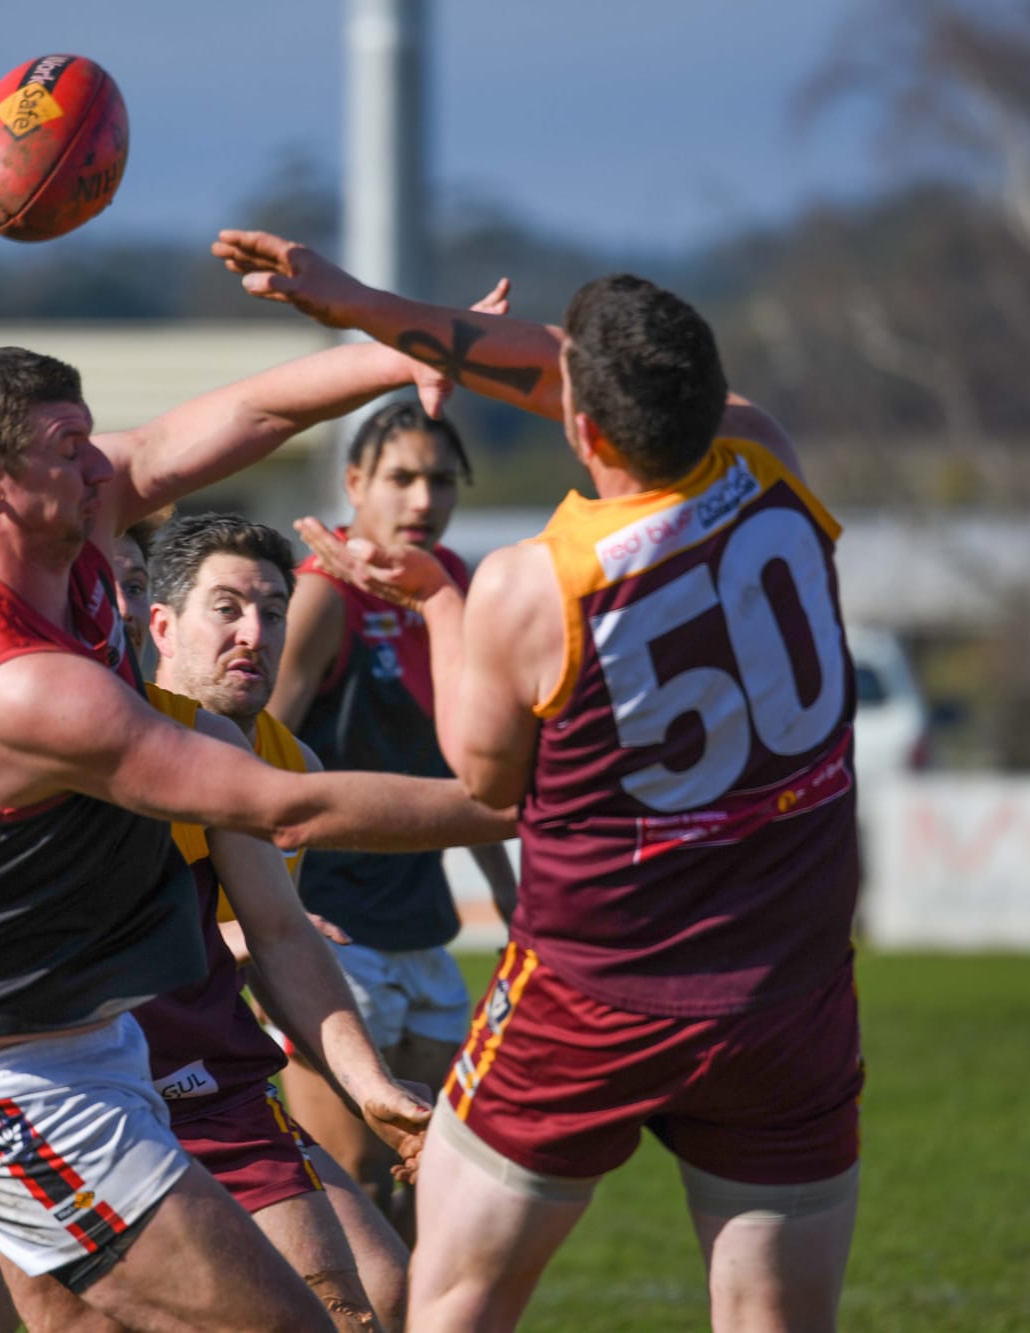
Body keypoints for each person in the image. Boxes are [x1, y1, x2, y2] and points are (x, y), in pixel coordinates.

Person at [0, 331, 519, 1331]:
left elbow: (233, 422)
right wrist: (526, 800)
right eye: (68, 447)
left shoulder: (58, 554)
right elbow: (284, 806)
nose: (100, 462)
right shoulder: (31, 691)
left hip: (96, 1050)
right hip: (8, 1086)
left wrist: (392, 347)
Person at [217, 229, 866, 1332]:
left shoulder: (533, 585)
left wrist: (433, 600)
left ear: (578, 425)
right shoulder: (767, 460)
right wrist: (363, 306)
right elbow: (545, 362)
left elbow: (485, 781)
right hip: (784, 988)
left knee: (457, 1297)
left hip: (594, 989)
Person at [269, 401, 518, 1233]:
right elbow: (250, 762)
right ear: (354, 484)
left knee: (435, 1191)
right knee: (352, 1197)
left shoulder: (453, 585)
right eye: (401, 477)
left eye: (441, 479)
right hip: (332, 939)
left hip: (424, 931)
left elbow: (474, 767)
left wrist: (516, 898)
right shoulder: (322, 595)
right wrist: (261, 907)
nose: (423, 499)